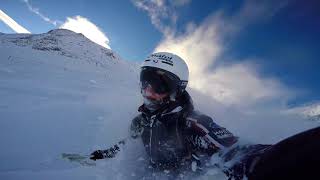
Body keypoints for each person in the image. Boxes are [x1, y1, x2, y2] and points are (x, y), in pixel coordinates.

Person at [90, 52, 320, 179]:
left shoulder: (193, 123)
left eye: (159, 85)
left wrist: (287, 160)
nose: (148, 93)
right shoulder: (140, 120)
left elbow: (236, 153)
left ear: (176, 90)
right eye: (145, 83)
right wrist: (104, 154)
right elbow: (129, 144)